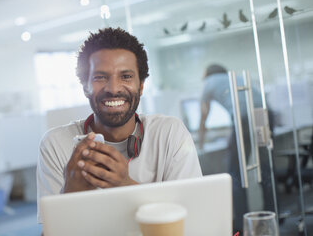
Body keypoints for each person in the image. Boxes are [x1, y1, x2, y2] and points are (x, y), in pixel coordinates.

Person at [37, 27, 202, 223]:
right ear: (85, 87)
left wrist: (124, 185)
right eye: (100, 77)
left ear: (141, 86)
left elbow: (192, 219)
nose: (113, 89)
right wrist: (71, 193)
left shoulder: (169, 133)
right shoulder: (56, 144)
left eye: (126, 76)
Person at [198, 64, 274, 233]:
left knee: (236, 174)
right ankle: (272, 218)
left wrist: (200, 143)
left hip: (244, 119)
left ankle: (242, 225)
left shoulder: (209, 82)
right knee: (265, 169)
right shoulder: (234, 77)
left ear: (207, 74)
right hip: (265, 114)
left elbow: (204, 115)